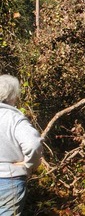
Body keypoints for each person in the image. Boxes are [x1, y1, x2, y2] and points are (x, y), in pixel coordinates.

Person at [0, 75, 43, 215]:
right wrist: (29, 164)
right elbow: (33, 144)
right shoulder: (14, 118)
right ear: (13, 96)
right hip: (8, 180)